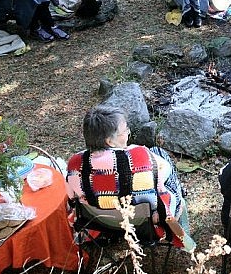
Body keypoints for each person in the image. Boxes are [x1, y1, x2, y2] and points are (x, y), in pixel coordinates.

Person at [66, 106, 195, 251]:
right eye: (125, 130)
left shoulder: (75, 164)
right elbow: (165, 172)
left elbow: (71, 198)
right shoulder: (140, 156)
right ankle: (183, 233)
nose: (128, 132)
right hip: (147, 226)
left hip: (101, 222)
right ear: (110, 141)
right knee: (159, 154)